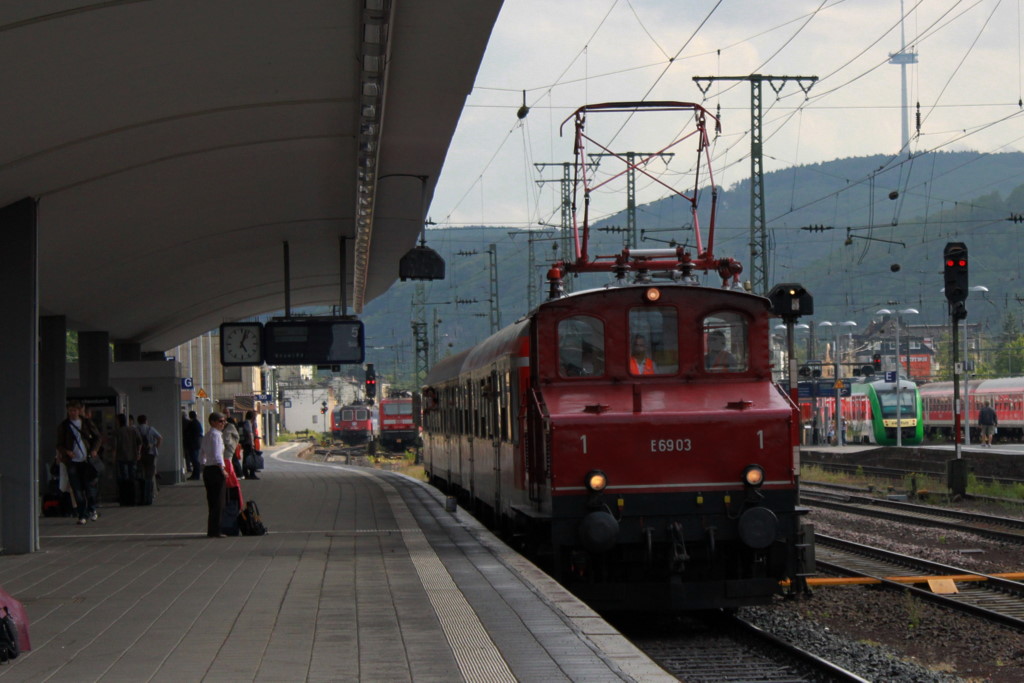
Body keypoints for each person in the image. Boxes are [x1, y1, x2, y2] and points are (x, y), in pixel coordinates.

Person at [56, 400, 102, 525]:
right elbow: (59, 444)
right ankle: (82, 514)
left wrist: (94, 450)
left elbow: (98, 437)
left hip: (87, 460)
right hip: (72, 462)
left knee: (89, 487)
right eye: (70, 410)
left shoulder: (86, 423)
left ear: (79, 411)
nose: (72, 413)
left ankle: (92, 509)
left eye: (75, 410)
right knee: (77, 489)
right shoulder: (64, 426)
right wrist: (66, 451)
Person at [199, 412, 228, 538]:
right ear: (213, 422)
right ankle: (216, 530)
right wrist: (222, 469)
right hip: (216, 470)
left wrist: (204, 464)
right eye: (221, 421)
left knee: (211, 501)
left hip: (208, 470)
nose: (223, 424)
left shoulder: (207, 435)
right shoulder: (216, 436)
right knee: (218, 502)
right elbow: (218, 455)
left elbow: (201, 454)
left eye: (224, 421)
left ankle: (212, 530)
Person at [112, 413, 142, 503]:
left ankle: (125, 497)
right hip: (132, 456)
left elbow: (114, 446)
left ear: (118, 421)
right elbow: (140, 442)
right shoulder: (133, 430)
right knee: (132, 476)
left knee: (124, 477)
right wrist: (138, 453)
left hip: (121, 457)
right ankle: (134, 496)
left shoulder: (117, 432)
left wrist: (113, 457)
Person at [136, 415, 163, 505]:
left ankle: (142, 497)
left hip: (140, 455)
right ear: (146, 421)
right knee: (150, 475)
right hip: (151, 454)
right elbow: (160, 438)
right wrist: (155, 447)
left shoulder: (136, 429)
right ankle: (150, 495)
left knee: (141, 475)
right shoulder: (150, 429)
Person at [183, 410, 204, 480]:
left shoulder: (191, 424)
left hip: (192, 445)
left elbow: (187, 433)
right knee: (195, 460)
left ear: (190, 416)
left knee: (194, 460)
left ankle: (196, 475)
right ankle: (195, 475)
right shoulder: (197, 423)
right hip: (197, 444)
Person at [241, 410, 259, 480]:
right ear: (252, 417)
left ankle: (246, 473)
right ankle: (251, 473)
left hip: (246, 443)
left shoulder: (246, 422)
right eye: (254, 416)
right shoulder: (248, 423)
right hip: (248, 443)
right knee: (251, 458)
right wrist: (252, 443)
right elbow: (250, 434)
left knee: (246, 458)